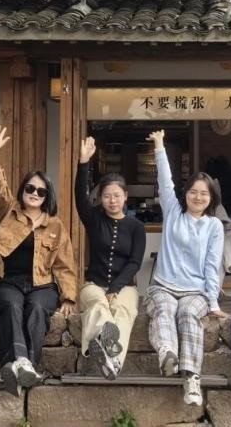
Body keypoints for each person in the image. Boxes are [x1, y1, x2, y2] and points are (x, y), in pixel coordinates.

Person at [0, 125, 78, 397]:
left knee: (37, 309)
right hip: (12, 282)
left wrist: (69, 298)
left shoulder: (55, 225)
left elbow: (64, 264)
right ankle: (22, 362)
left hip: (43, 285)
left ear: (47, 197)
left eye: (41, 191)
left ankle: (20, 364)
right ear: (22, 190)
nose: (35, 194)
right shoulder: (9, 211)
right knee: (10, 305)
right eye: (30, 188)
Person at [145, 129, 226, 407]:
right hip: (163, 286)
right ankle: (167, 354)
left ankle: (191, 378)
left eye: (204, 193)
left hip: (195, 291)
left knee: (188, 312)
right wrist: (159, 146)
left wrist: (213, 301)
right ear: (185, 193)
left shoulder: (214, 226)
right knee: (164, 307)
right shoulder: (173, 212)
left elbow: (212, 265)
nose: (198, 197)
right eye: (193, 192)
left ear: (211, 197)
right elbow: (165, 181)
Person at [75, 136, 146, 379]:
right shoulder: (94, 219)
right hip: (93, 284)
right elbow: (80, 197)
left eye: (117, 195)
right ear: (101, 198)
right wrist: (83, 163)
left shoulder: (136, 227)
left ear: (125, 196)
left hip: (125, 286)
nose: (112, 200)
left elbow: (135, 262)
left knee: (122, 309)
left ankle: (110, 359)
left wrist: (115, 288)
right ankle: (112, 355)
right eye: (107, 196)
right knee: (99, 305)